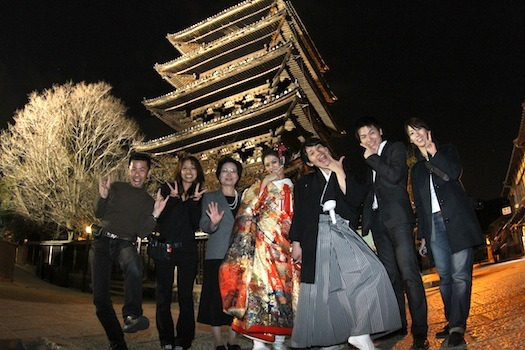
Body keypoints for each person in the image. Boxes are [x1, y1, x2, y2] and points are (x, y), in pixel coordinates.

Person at [289, 137, 401, 350]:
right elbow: (300, 214)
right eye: (312, 153)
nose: (318, 152)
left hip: (341, 232)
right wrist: (296, 242)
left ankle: (359, 331)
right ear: (310, 163)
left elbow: (354, 201)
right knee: (325, 288)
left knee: (372, 272)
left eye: (320, 147)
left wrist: (339, 172)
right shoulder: (304, 183)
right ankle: (332, 337)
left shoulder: (346, 173)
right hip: (316, 236)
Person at [405, 118, 483, 349]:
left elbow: (453, 173)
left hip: (457, 221)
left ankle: (458, 325)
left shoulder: (447, 150)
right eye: (411, 133)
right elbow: (419, 202)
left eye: (418, 129)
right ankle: (453, 321)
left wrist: (434, 152)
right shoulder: (416, 170)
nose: (416, 134)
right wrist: (422, 235)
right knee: (446, 278)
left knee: (461, 276)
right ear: (409, 140)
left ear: (428, 130)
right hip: (434, 226)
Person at [355, 117, 429, 350]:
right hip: (378, 224)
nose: (369, 139)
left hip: (398, 221)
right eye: (363, 137)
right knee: (390, 278)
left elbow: (395, 176)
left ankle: (420, 332)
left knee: (409, 274)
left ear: (380, 131)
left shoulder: (394, 148)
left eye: (371, 133)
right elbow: (371, 192)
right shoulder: (371, 161)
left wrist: (372, 158)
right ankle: (398, 325)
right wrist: (365, 223)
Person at [219, 145, 299, 350]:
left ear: (282, 162)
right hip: (263, 245)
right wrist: (263, 185)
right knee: (259, 290)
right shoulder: (258, 186)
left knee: (283, 293)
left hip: (285, 245)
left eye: (274, 162)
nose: (271, 167)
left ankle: (279, 340)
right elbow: (247, 209)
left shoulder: (293, 187)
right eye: (267, 164)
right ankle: (259, 340)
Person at [92, 152, 169, 350]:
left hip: (124, 243)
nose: (137, 174)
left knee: (134, 264)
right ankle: (117, 342)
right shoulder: (116, 187)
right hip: (101, 242)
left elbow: (143, 232)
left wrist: (155, 213)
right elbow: (98, 213)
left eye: (142, 170)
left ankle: (132, 314)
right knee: (100, 299)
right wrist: (102, 196)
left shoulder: (147, 201)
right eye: (134, 169)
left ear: (148, 173)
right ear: (128, 170)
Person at [153, 155, 206, 350]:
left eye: (193, 168)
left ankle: (184, 339)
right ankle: (166, 339)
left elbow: (195, 224)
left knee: (185, 296)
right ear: (179, 170)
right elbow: (160, 217)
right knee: (163, 295)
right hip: (166, 248)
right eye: (184, 168)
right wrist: (174, 200)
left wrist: (193, 203)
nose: (188, 171)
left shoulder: (199, 193)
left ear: (197, 172)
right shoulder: (167, 188)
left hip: (187, 251)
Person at [197, 156, 243, 350]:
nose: (229, 174)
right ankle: (218, 342)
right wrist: (213, 223)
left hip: (240, 257)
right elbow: (204, 225)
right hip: (216, 254)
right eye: (225, 171)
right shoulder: (210, 197)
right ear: (218, 175)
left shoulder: (246, 198)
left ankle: (232, 340)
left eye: (233, 171)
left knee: (239, 299)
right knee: (216, 298)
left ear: (238, 176)